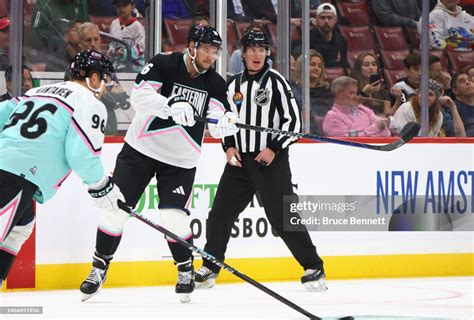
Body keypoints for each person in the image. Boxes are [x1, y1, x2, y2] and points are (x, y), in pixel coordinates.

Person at [79, 25, 239, 303]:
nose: (211, 55)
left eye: (215, 51)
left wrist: (226, 123)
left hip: (180, 161)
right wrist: (171, 105)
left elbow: (218, 120)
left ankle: (185, 269)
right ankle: (99, 267)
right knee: (116, 210)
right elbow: (139, 96)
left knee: (173, 218)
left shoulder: (215, 83)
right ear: (191, 46)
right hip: (140, 150)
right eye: (206, 49)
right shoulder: (164, 63)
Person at [194, 30, 327, 293]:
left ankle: (313, 266)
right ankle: (210, 265)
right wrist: (229, 146)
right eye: (252, 49)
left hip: (270, 163)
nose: (257, 54)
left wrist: (274, 149)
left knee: (282, 218)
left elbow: (294, 123)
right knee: (220, 215)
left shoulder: (276, 82)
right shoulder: (232, 85)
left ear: (267, 53)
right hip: (240, 163)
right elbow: (225, 122)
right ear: (242, 53)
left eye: (262, 49)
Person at [0, 50, 124, 288]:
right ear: (94, 77)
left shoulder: (35, 92)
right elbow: (80, 154)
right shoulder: (89, 103)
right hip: (17, 176)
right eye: (105, 80)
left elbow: (3, 112)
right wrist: (101, 187)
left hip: (12, 170)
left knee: (22, 225)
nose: (105, 88)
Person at [322, 76, 391, 137]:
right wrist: (375, 128)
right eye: (351, 93)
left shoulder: (363, 109)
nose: (356, 97)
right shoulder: (333, 117)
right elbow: (348, 142)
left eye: (356, 93)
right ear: (339, 94)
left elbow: (386, 132)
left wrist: (366, 135)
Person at [292, 50, 333, 134]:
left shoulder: (327, 90)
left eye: (319, 66)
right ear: (301, 66)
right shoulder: (296, 90)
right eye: (312, 64)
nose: (317, 68)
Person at [306, 3, 348, 68]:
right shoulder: (308, 39)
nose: (326, 21)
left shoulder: (342, 40)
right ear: (316, 19)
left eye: (329, 17)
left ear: (335, 20)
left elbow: (343, 66)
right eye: (322, 18)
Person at [108, 0, 146, 72]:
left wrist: (124, 53)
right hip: (117, 66)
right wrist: (111, 50)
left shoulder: (138, 26)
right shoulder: (114, 23)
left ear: (132, 6)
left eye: (124, 5)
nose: (121, 8)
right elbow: (112, 43)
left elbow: (140, 49)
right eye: (118, 5)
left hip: (135, 68)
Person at [451, 66, 474, 135]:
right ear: (455, 90)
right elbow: (458, 135)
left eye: (470, 80)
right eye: (462, 81)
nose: (468, 83)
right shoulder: (452, 109)